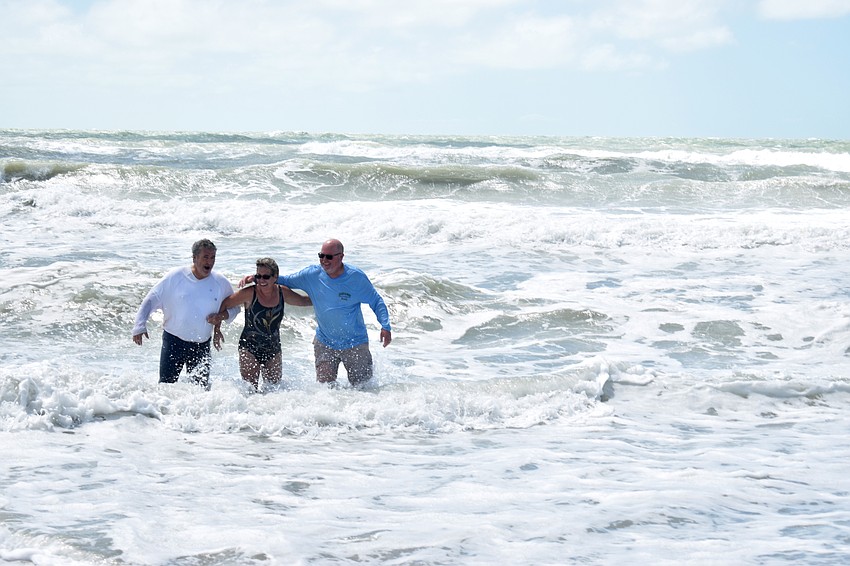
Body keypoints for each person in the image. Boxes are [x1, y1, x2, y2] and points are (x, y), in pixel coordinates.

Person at [242, 239, 391, 387]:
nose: (324, 260)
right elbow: (286, 280)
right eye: (321, 256)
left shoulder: (355, 278)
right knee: (324, 390)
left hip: (355, 343)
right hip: (325, 342)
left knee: (364, 389)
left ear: (341, 256)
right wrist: (257, 278)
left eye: (329, 257)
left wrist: (385, 326)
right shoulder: (312, 274)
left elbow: (376, 301)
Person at [132, 239, 239, 389]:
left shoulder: (220, 282)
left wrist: (221, 317)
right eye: (205, 257)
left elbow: (235, 308)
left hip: (201, 346)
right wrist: (139, 325)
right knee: (165, 388)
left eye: (213, 257)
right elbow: (151, 299)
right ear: (194, 258)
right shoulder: (176, 277)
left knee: (200, 391)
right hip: (173, 342)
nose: (210, 262)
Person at [209, 257, 312, 392]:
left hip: (273, 348)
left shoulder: (282, 292)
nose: (261, 281)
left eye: (265, 277)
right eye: (258, 276)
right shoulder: (249, 293)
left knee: (273, 392)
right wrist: (217, 330)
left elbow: (304, 301)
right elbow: (224, 304)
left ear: (275, 277)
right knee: (250, 391)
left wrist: (328, 298)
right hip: (249, 348)